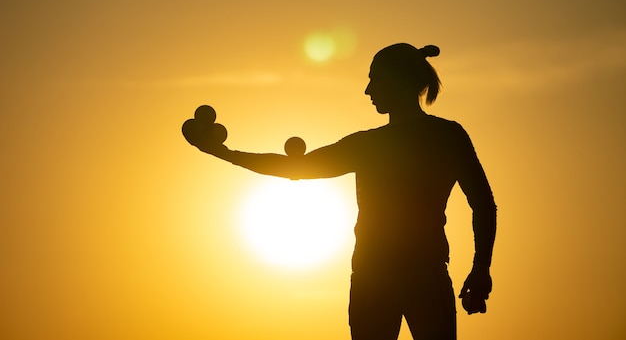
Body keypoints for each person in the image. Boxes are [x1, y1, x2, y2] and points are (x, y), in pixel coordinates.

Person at [187, 43, 496, 340]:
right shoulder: (442, 136)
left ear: (397, 81)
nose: (368, 90)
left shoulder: (375, 144)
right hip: (407, 276)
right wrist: (481, 266)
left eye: (374, 79)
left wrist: (222, 152)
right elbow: (483, 204)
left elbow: (295, 168)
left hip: (384, 278)